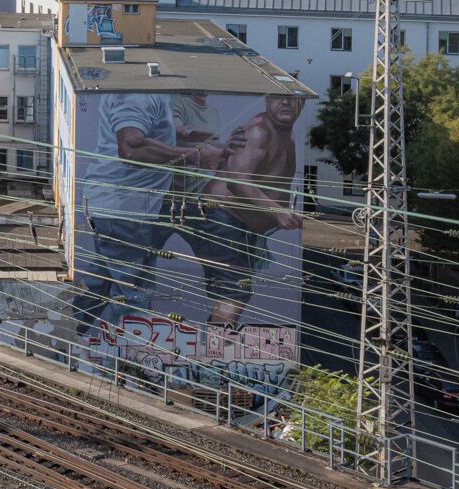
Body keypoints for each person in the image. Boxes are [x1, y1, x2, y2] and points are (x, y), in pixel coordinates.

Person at [71, 91, 225, 336]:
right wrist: (195, 156)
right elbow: (131, 147)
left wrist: (184, 136)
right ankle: (130, 365)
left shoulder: (147, 90)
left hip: (112, 207)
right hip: (125, 212)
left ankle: (63, 332)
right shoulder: (139, 94)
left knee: (99, 284)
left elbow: (149, 133)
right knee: (135, 297)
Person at [176, 94, 305, 326]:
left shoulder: (287, 132)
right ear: (266, 101)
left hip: (235, 224)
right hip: (220, 217)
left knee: (235, 292)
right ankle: (215, 354)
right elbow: (237, 180)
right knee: (233, 293)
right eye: (279, 97)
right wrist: (277, 211)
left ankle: (215, 346)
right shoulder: (259, 131)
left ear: (303, 104)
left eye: (294, 99)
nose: (286, 103)